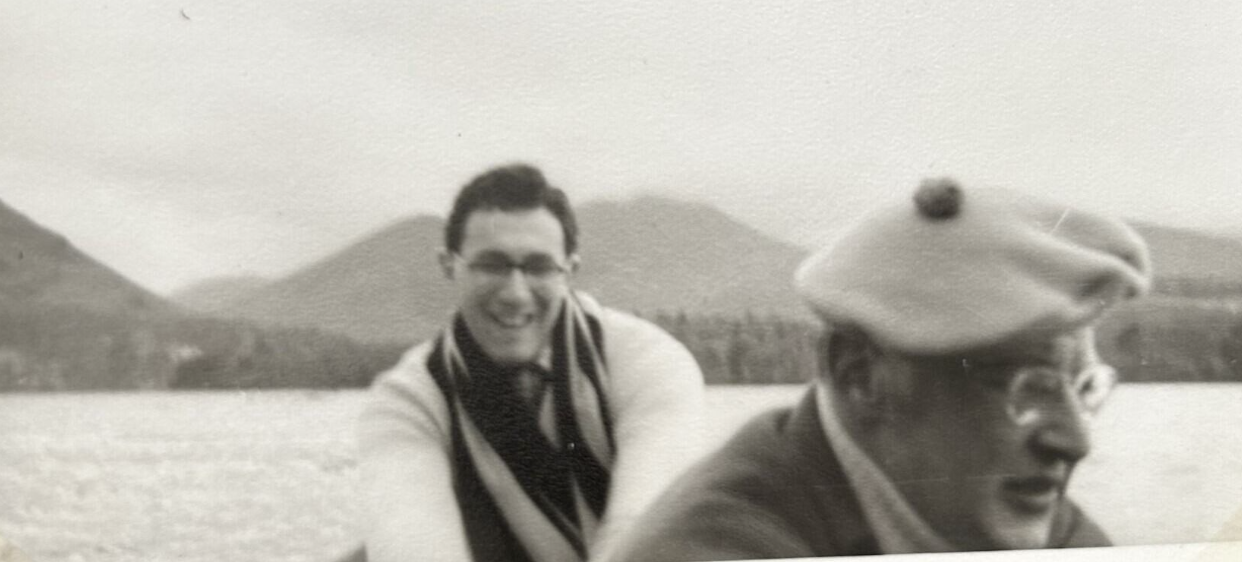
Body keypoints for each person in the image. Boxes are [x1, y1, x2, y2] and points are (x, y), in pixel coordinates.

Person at [604, 177, 1152, 561]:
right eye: (1023, 388)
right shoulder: (716, 546)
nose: (1076, 441)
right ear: (860, 377)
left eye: (1084, 389)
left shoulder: (1013, 514)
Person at [354, 164, 706, 562]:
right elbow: (416, 550)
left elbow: (646, 529)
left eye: (539, 267)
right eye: (492, 265)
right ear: (448, 264)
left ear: (570, 271)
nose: (516, 294)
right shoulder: (406, 401)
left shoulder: (651, 362)